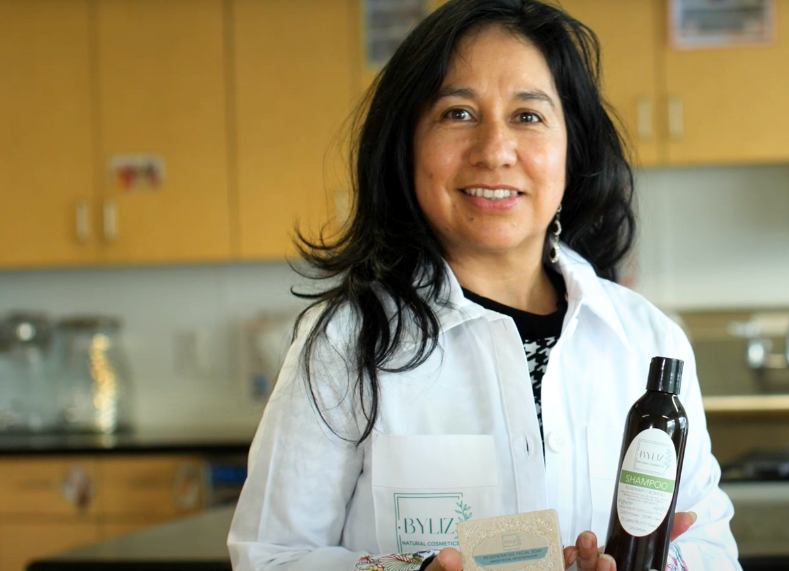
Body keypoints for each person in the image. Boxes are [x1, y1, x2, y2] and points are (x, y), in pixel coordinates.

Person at [227, 1, 739, 570]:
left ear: (573, 148)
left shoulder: (647, 340)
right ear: (407, 146)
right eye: (458, 114)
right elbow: (269, 558)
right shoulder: (346, 345)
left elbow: (711, 542)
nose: (495, 150)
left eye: (528, 116)